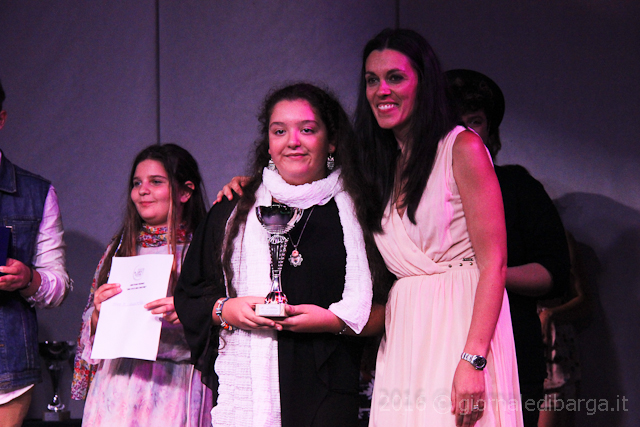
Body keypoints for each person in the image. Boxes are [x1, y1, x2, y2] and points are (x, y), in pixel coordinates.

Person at [175, 83, 380, 427]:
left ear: (331, 141)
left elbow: (389, 307)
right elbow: (190, 296)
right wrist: (227, 310)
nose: (292, 141)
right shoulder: (233, 210)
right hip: (249, 391)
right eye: (280, 131)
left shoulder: (360, 212)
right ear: (268, 143)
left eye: (307, 129)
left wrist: (333, 321)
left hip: (329, 391)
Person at [351, 29, 522, 426]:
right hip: (407, 329)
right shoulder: (381, 164)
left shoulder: (462, 147)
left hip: (461, 322)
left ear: (424, 83)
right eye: (372, 80)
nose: (381, 90)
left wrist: (473, 359)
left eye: (395, 77)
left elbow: (494, 264)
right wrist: (251, 185)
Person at [446, 69, 571, 427]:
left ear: (491, 130)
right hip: (435, 342)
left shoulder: (517, 187)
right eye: (455, 124)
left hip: (512, 346)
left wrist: (489, 273)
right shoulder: (416, 193)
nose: (466, 135)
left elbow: (553, 272)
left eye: (475, 122)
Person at [70, 143, 211, 426]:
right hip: (117, 386)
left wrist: (188, 312)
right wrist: (98, 314)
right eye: (137, 183)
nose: (143, 191)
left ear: (185, 192)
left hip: (174, 385)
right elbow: (91, 328)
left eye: (156, 182)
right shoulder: (120, 249)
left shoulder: (203, 251)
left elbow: (224, 319)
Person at [0, 78, 70, 427]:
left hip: (7, 372)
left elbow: (58, 286)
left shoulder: (34, 192)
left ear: (0, 119)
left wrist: (27, 278)